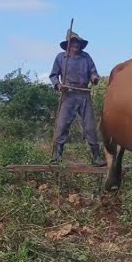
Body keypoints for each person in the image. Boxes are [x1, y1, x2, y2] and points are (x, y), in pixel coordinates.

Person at [49, 29, 107, 167]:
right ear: (68, 44)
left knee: (90, 127)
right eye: (73, 43)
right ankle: (56, 156)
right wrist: (58, 85)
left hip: (84, 94)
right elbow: (53, 76)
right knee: (62, 125)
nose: (76, 45)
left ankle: (96, 157)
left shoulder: (86, 57)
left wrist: (94, 78)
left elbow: (94, 73)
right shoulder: (60, 58)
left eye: (78, 43)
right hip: (68, 94)